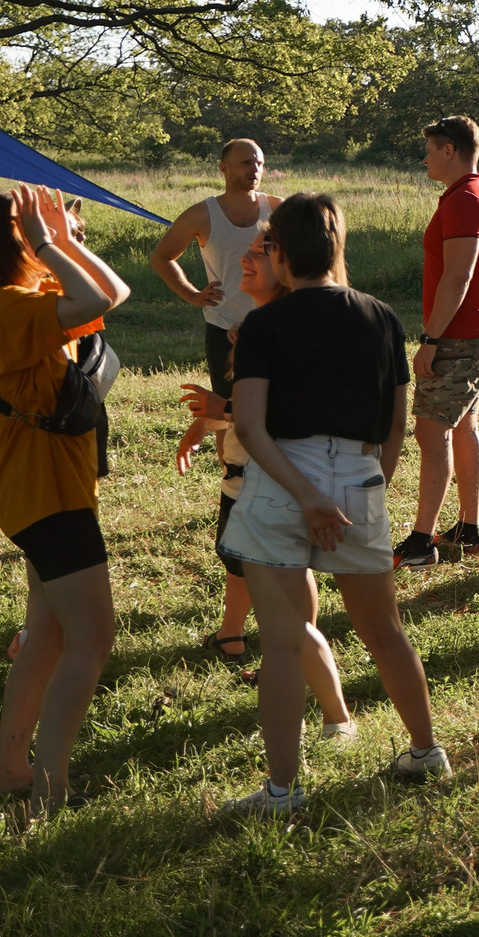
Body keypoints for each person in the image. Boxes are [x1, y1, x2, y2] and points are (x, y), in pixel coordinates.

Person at [218, 194, 446, 813]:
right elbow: (398, 423)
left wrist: (308, 496)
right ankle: (426, 750)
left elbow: (252, 426)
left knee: (284, 642)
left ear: (282, 253)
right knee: (384, 630)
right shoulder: (380, 316)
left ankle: (283, 789)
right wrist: (372, 485)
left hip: (281, 481)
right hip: (360, 477)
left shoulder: (265, 325)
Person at [0, 185, 131, 811]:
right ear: (10, 242)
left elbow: (114, 294)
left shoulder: (25, 299)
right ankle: (49, 791)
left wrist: (63, 240)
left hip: (48, 490)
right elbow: (96, 297)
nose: (49, 232)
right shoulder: (4, 309)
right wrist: (50, 243)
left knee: (48, 635)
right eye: (30, 229)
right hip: (47, 496)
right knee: (92, 639)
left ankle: (12, 772)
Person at [172, 225, 357, 731]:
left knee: (291, 613)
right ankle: (294, 678)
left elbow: (282, 414)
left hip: (271, 486)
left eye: (260, 252)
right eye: (249, 251)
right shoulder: (255, 324)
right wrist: (204, 422)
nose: (246, 260)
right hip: (247, 482)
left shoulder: (280, 329)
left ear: (285, 267)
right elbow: (245, 407)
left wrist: (222, 408)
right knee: (277, 599)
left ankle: (335, 717)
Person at [395, 116, 479, 568]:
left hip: (460, 334)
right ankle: (467, 528)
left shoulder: (464, 200)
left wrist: (430, 339)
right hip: (478, 329)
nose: (425, 158)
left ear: (450, 151)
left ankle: (421, 542)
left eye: (431, 148)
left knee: (430, 430)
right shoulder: (476, 195)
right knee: (463, 425)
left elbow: (459, 276)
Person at [150, 138, 277, 444]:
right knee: (226, 414)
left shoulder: (277, 209)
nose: (254, 169)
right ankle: (231, 481)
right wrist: (192, 294)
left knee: (273, 410)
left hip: (272, 326)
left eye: (259, 163)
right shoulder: (202, 214)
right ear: (224, 168)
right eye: (246, 162)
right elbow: (161, 258)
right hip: (223, 326)